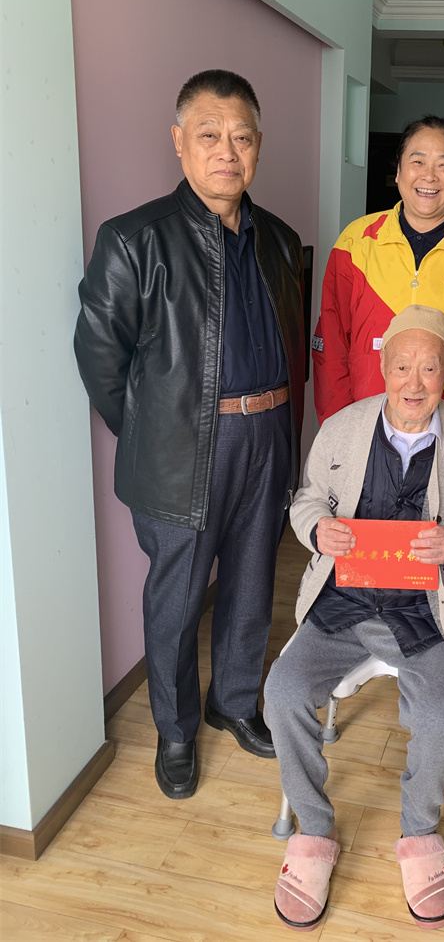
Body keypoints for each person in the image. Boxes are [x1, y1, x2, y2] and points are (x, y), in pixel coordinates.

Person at [74, 69, 306, 799]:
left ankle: (232, 702)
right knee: (176, 600)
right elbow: (99, 358)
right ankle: (174, 731)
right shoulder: (134, 240)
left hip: (267, 438)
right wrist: (152, 434)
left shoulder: (280, 240)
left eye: (242, 137)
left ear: (259, 146)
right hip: (181, 451)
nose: (226, 152)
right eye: (209, 134)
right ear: (179, 142)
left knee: (251, 583)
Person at [264, 305, 444, 932]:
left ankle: (419, 834)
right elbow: (306, 501)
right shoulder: (341, 430)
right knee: (282, 692)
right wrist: (317, 531)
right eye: (402, 366)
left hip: (428, 612)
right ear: (383, 368)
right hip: (343, 603)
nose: (414, 383)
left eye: (428, 368)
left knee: (440, 716)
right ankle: (313, 831)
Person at [312, 115, 444, 459]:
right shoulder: (356, 243)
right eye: (417, 161)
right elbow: (332, 346)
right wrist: (337, 428)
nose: (429, 176)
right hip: (366, 427)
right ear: (398, 171)